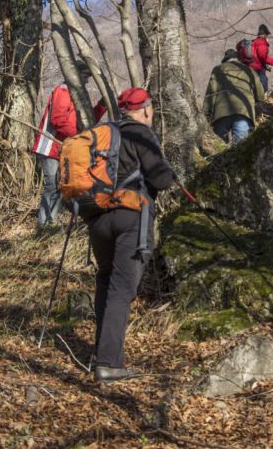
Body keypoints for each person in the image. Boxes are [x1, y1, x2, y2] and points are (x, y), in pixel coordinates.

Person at [87, 87, 175, 383]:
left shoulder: (104, 133)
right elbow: (160, 179)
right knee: (122, 289)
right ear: (147, 109)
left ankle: (100, 354)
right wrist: (170, 172)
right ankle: (109, 362)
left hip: (98, 218)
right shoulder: (141, 134)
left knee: (105, 279)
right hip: (131, 217)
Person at [32, 65, 93, 230]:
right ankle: (44, 226)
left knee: (61, 185)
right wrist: (77, 136)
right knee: (52, 185)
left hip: (66, 148)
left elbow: (86, 121)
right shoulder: (64, 91)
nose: (87, 80)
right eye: (85, 76)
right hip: (51, 145)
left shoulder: (78, 95)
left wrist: (102, 106)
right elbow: (58, 119)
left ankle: (53, 223)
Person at [204, 49, 265, 144]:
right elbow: (260, 94)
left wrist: (206, 112)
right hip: (243, 111)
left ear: (225, 59)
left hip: (221, 112)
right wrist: (258, 100)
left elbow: (211, 92)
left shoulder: (218, 69)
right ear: (238, 59)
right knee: (241, 147)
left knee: (220, 147)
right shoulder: (249, 70)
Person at [249, 24, 273, 92]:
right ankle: (262, 99)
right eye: (268, 36)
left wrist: (266, 66)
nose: (268, 38)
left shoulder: (254, 42)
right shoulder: (261, 43)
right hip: (257, 70)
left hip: (249, 69)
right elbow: (264, 57)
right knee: (262, 87)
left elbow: (257, 57)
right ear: (265, 35)